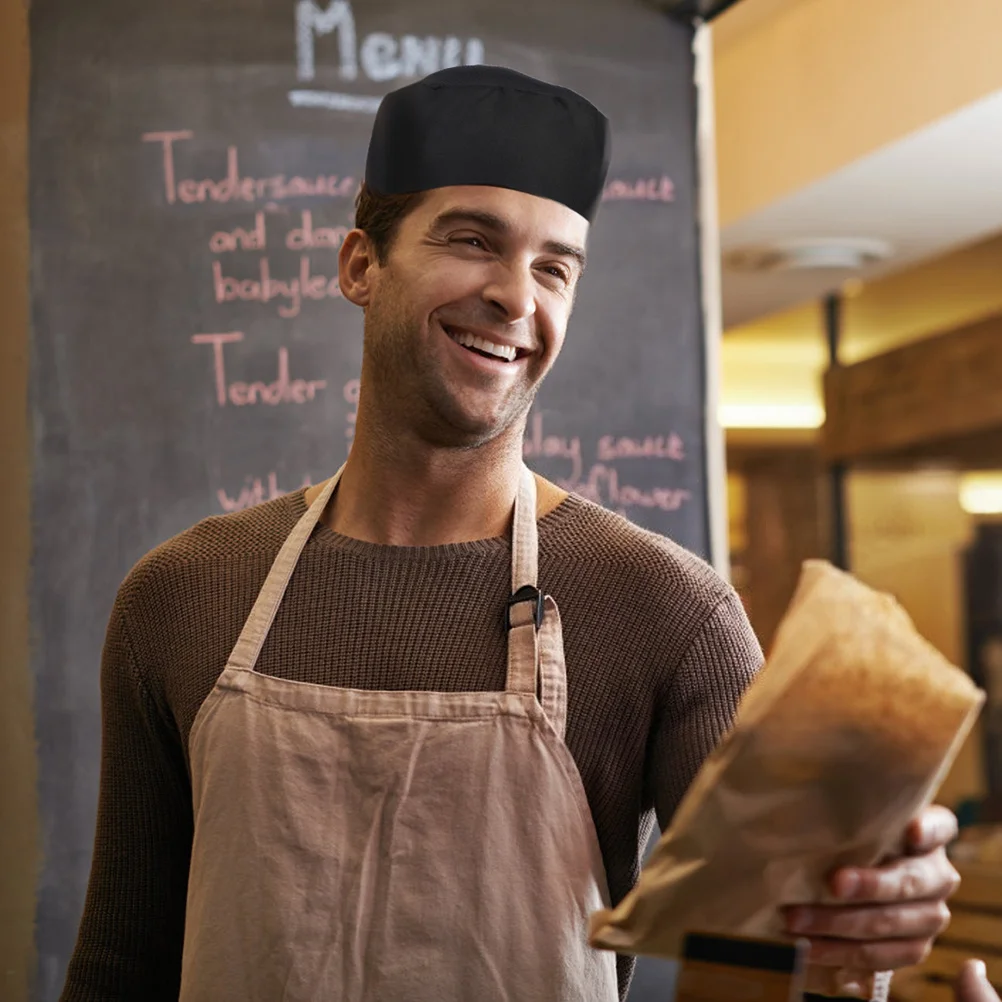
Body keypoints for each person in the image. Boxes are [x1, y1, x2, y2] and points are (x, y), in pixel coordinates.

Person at [62, 65, 960, 1002]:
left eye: (554, 267)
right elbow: (121, 968)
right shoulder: (184, 593)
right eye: (472, 240)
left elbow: (778, 958)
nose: (515, 296)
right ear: (360, 265)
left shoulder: (667, 608)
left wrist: (862, 905)